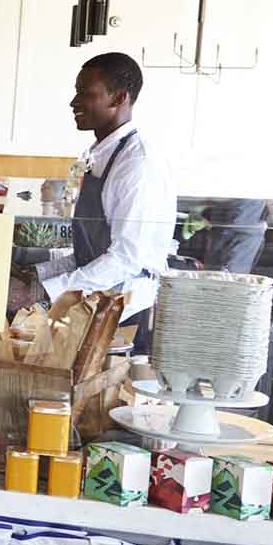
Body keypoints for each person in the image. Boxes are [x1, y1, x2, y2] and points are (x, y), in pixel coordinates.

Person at [12, 51, 176, 347]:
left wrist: (41, 292)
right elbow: (90, 253)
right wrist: (35, 275)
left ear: (118, 98)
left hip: (125, 314)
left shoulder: (138, 165)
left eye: (85, 93)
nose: (74, 102)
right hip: (94, 304)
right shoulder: (99, 153)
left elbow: (125, 260)